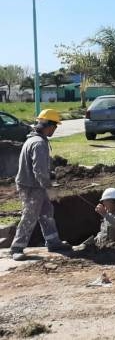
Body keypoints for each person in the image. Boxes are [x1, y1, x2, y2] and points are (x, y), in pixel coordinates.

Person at [9, 109, 72, 261]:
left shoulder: (33, 139)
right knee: (30, 215)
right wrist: (49, 187)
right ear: (48, 125)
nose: (55, 130)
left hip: (33, 184)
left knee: (46, 211)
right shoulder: (38, 144)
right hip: (31, 186)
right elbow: (39, 171)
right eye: (55, 126)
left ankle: (52, 241)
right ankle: (17, 247)